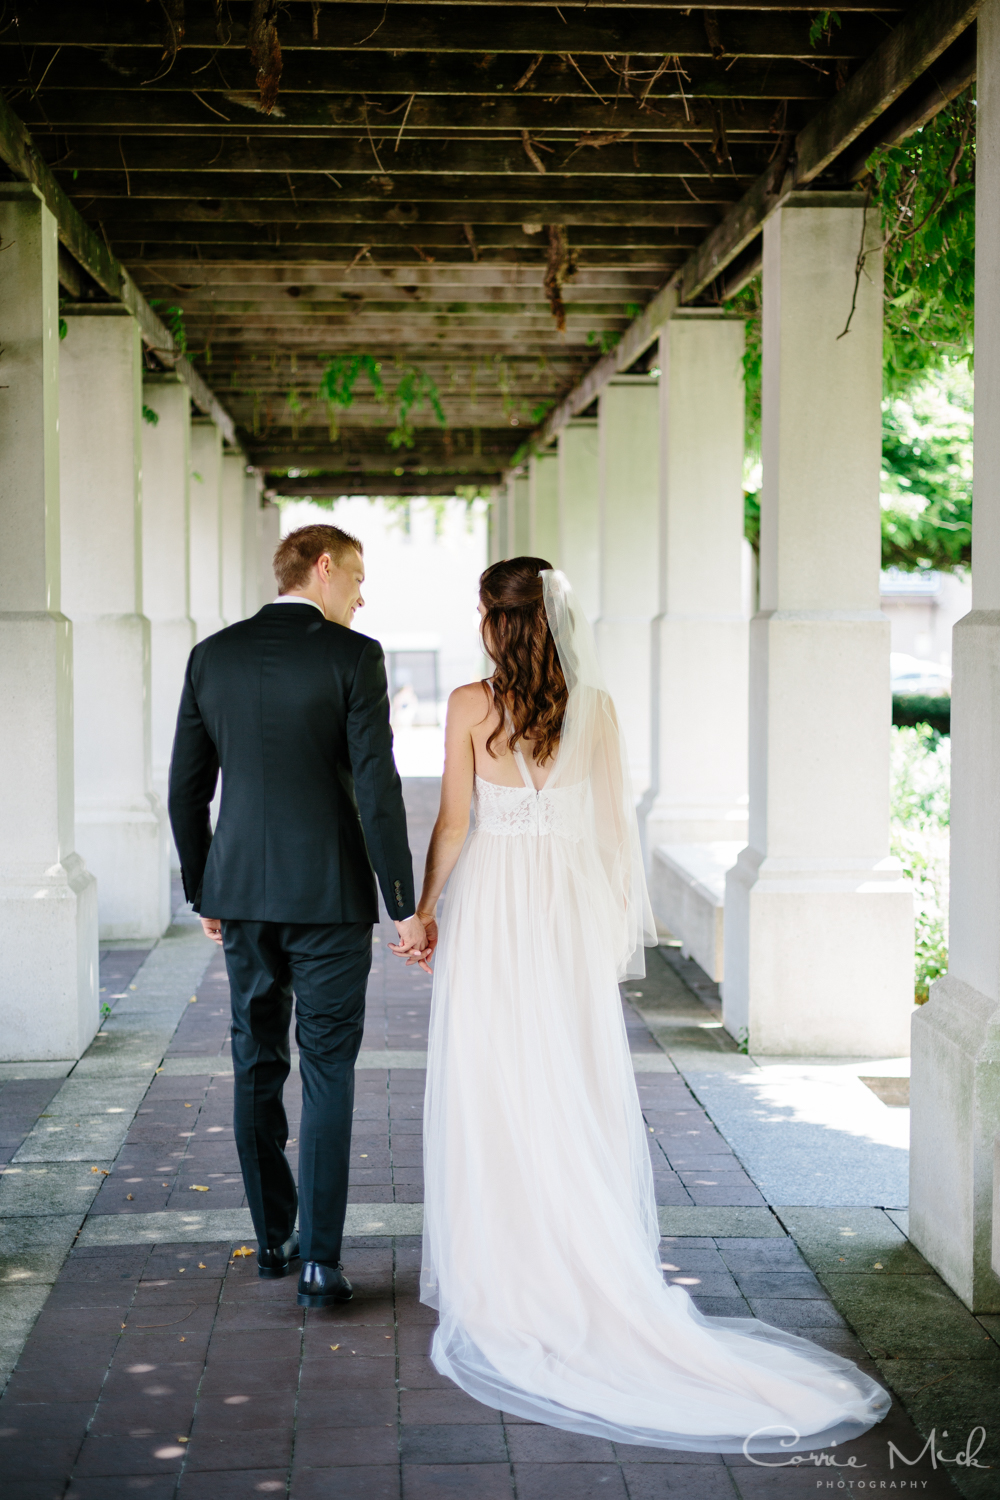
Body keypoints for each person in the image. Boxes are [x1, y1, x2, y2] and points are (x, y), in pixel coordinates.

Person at [408, 556, 890, 1454]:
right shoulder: (598, 711)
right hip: (556, 924)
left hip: (495, 915)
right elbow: (607, 838)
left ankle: (508, 1266)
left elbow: (455, 822)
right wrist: (594, 938)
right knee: (565, 1086)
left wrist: (425, 910)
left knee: (493, 1082)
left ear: (491, 619)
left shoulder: (473, 706)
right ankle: (579, 1260)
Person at [168, 524, 427, 1309]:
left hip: (242, 893)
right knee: (327, 1068)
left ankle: (273, 1240)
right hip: (330, 898)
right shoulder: (354, 656)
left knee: (255, 1059)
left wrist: (203, 887)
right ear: (321, 568)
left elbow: (185, 787)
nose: (360, 595)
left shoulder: (211, 656)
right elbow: (378, 787)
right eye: (355, 578)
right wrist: (403, 902)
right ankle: (320, 1260)